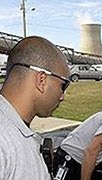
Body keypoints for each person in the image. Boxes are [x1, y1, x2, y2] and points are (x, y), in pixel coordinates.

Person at [0, 36, 70, 180]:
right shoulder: (4, 141)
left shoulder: (12, 131)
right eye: (63, 86)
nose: (62, 96)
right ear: (42, 80)